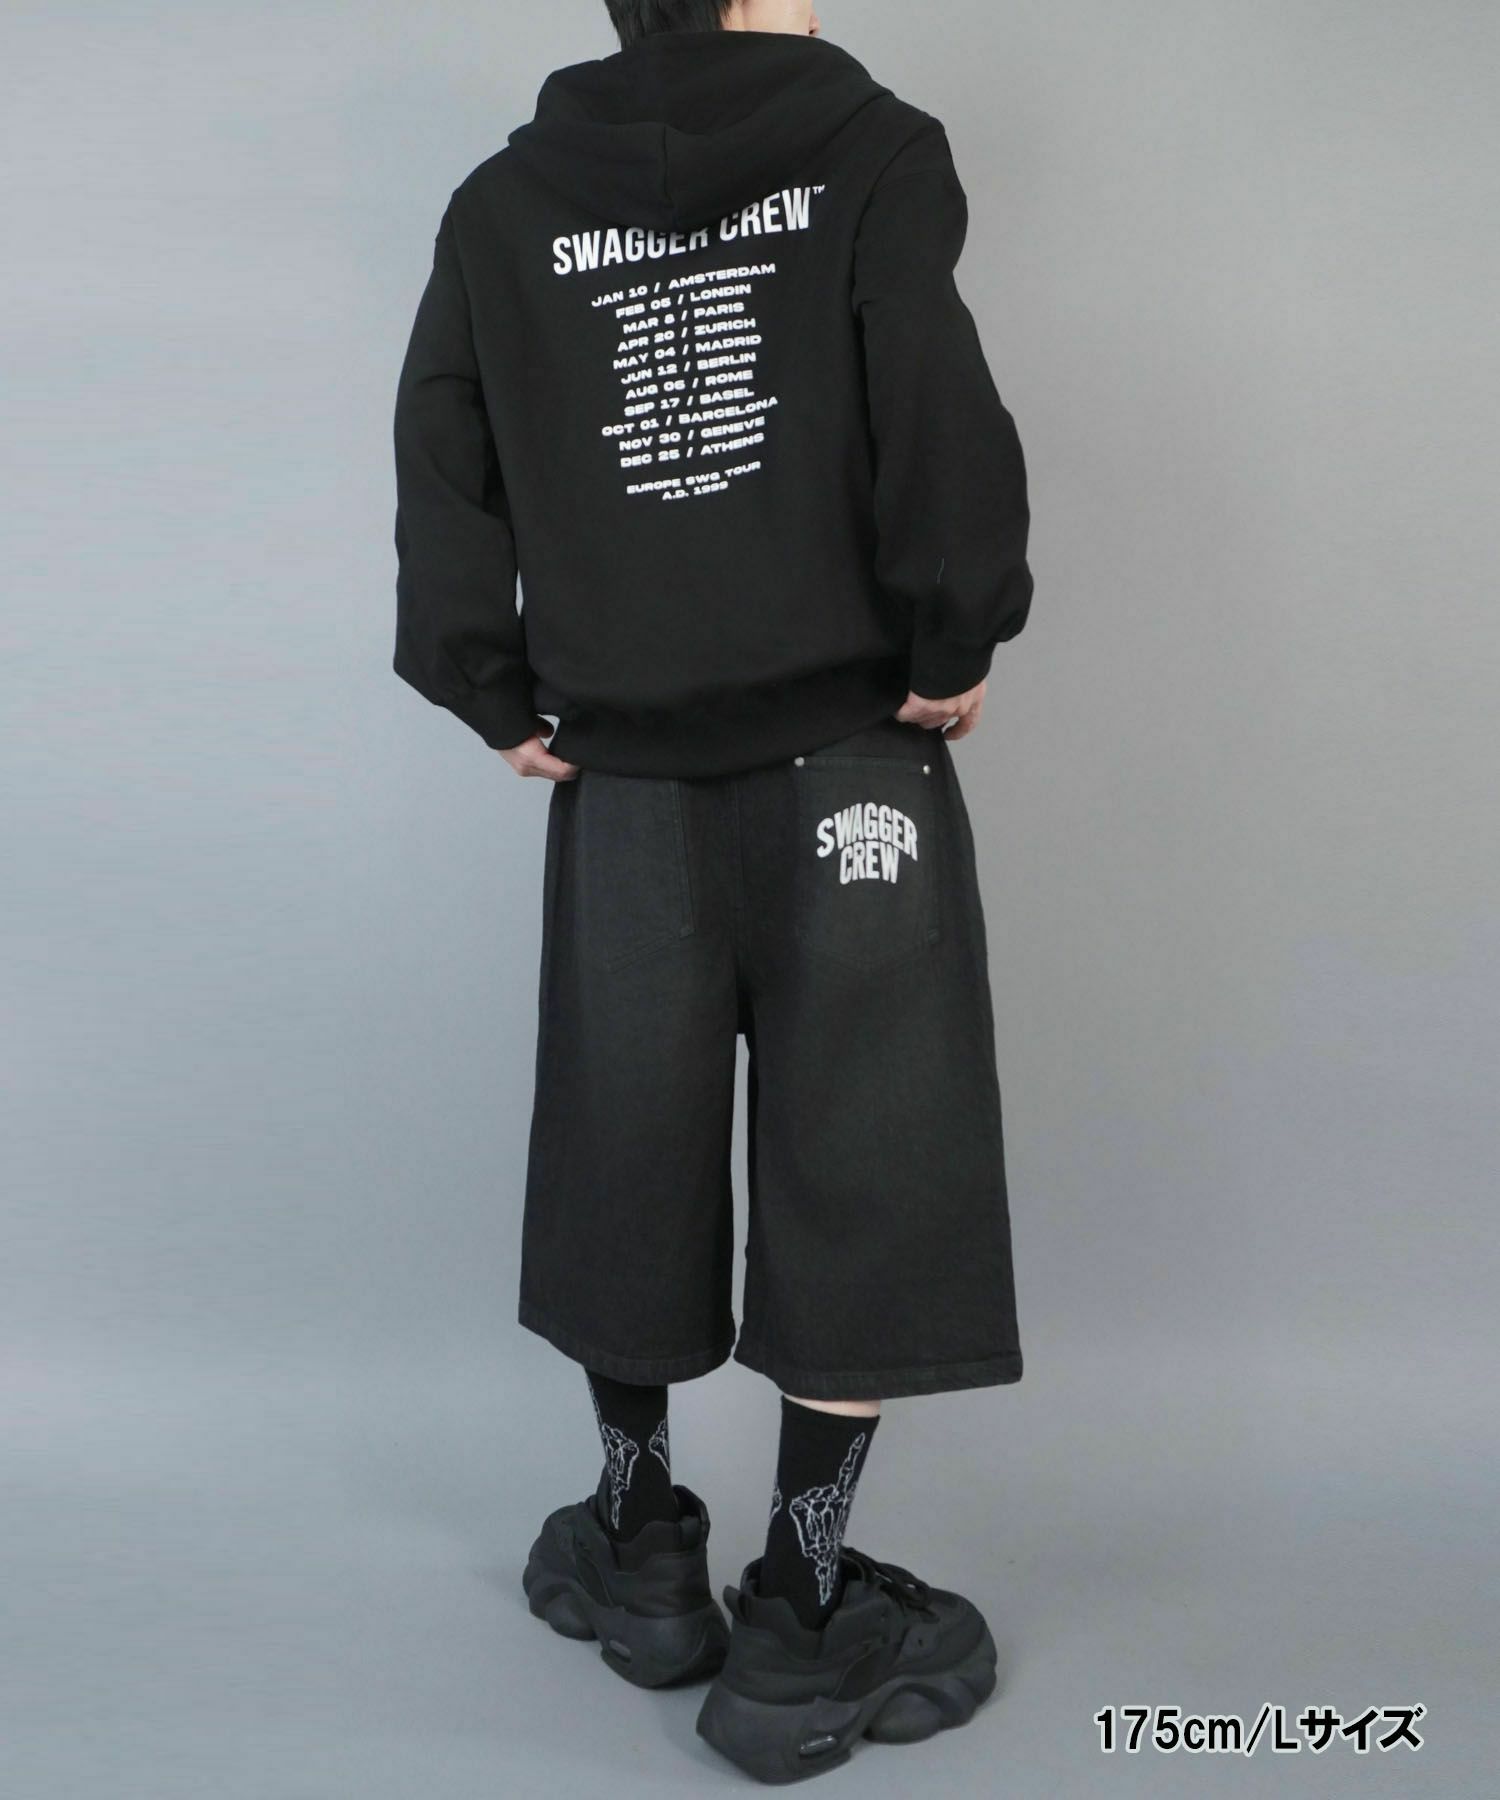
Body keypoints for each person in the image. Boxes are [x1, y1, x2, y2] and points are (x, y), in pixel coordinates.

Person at [392, 0, 1033, 1780]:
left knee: (629, 1138)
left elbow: (442, 451)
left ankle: (637, 1548)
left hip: (626, 783)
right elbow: (935, 401)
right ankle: (802, 1618)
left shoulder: (504, 207)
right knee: (866, 1156)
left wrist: (489, 687)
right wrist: (952, 633)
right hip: (854, 763)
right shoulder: (874, 151)